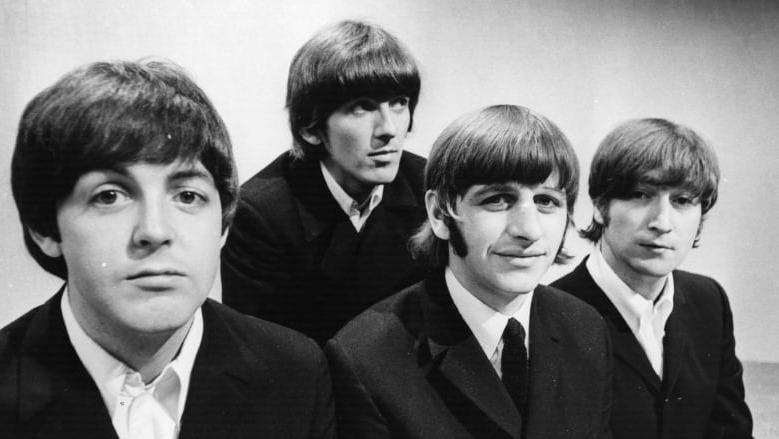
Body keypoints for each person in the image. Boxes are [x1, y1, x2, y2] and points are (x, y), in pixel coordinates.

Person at [0, 60, 335, 439]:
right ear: (45, 228)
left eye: (188, 195)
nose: (155, 231)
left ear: (223, 224)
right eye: (109, 196)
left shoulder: (295, 373)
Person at [326, 105, 613, 439]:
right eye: (498, 199)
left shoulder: (586, 328)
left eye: (546, 201)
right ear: (439, 214)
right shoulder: (366, 357)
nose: (529, 229)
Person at [221, 19, 428, 345]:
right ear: (311, 128)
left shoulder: (430, 188)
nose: (388, 128)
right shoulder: (259, 214)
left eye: (398, 103)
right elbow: (263, 357)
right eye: (363, 107)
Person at [551, 118, 753, 439]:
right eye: (640, 194)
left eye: (682, 201)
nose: (662, 221)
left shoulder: (709, 300)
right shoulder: (548, 317)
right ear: (601, 207)